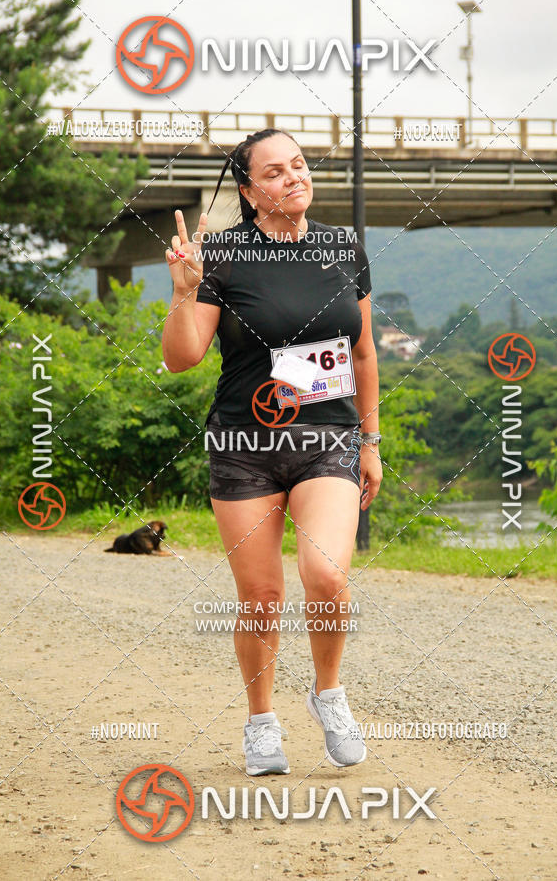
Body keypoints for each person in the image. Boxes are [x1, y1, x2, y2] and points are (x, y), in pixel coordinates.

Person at [161, 128, 382, 775]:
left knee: (328, 578)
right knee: (259, 595)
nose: (294, 178)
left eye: (300, 166)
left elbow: (362, 354)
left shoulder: (345, 248)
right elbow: (182, 359)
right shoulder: (223, 255)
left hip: (327, 439)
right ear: (250, 191)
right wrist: (182, 293)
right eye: (276, 172)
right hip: (243, 445)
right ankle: (261, 721)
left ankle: (328, 693)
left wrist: (370, 441)